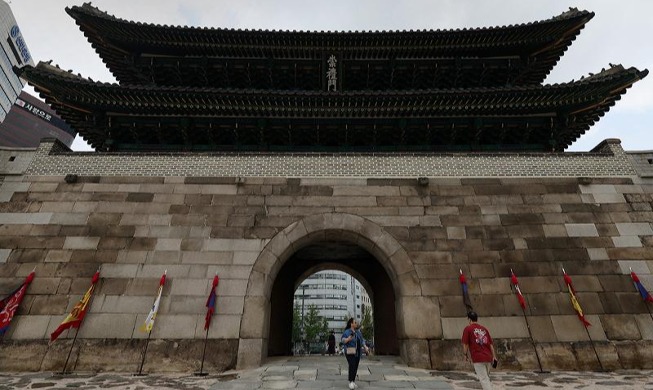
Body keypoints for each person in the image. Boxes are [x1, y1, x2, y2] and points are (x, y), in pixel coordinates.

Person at [462, 311, 497, 390]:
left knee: (484, 379)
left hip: (478, 357)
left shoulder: (468, 329)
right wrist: (494, 357)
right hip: (488, 357)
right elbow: (490, 344)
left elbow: (466, 344)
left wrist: (465, 354)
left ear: (469, 319)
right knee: (486, 378)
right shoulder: (484, 329)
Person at [341, 318, 369, 390]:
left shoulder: (358, 332)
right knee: (352, 365)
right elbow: (343, 340)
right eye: (355, 322)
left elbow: (362, 340)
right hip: (350, 351)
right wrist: (348, 339)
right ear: (351, 324)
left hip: (357, 352)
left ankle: (353, 381)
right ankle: (350, 381)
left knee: (355, 366)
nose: (356, 324)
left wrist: (365, 347)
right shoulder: (347, 332)